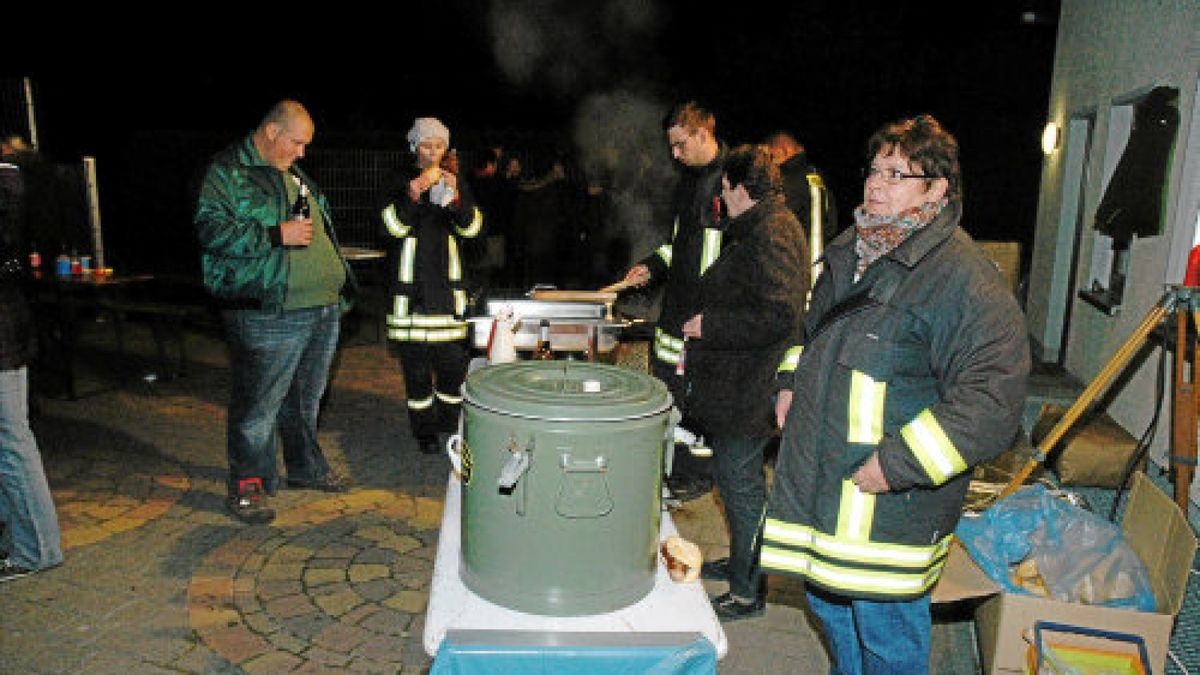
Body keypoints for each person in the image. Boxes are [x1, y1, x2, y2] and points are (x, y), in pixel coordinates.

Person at [760, 114, 1030, 672]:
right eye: (875, 170)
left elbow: (992, 399)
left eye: (898, 174)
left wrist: (898, 463)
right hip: (825, 486)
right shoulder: (848, 250)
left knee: (886, 638)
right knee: (830, 609)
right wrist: (790, 381)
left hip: (887, 508)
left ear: (936, 188)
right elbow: (809, 334)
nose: (876, 185)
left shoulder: (961, 276)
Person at [195, 100, 357, 525]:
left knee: (305, 400)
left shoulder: (291, 173)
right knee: (259, 405)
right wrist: (273, 233)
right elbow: (211, 231)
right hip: (270, 310)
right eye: (297, 142)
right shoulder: (228, 171)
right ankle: (248, 486)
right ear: (271, 131)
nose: (303, 152)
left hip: (321, 307)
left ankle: (305, 468)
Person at [678, 144, 808, 620]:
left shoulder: (772, 232)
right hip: (741, 383)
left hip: (750, 388)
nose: (722, 198)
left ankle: (748, 591)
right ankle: (741, 565)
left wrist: (709, 326)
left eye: (725, 189)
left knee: (742, 488)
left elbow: (779, 314)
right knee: (736, 484)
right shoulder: (764, 226)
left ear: (738, 187)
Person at [623, 100, 728, 501]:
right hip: (675, 313)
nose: (675, 154)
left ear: (703, 133)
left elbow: (736, 257)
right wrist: (651, 266)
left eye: (681, 144)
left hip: (706, 317)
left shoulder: (733, 181)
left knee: (700, 400)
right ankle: (671, 467)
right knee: (671, 392)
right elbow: (678, 246)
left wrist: (715, 313)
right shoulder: (688, 183)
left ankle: (697, 475)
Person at [378, 117, 482, 455]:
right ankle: (423, 432)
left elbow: (473, 230)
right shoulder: (398, 180)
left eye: (439, 146)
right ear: (414, 147)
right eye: (427, 145)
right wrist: (414, 193)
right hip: (412, 299)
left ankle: (448, 424)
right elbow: (390, 228)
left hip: (448, 299)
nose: (434, 152)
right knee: (417, 375)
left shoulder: (455, 181)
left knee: (453, 371)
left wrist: (456, 201)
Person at [1, 148, 64, 580]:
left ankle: (36, 548)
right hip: (10, 324)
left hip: (3, 331)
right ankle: (21, 540)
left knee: (11, 438)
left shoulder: (7, 184)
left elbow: (9, 260)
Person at [764, 130, 838, 274]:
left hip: (794, 271)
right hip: (824, 266)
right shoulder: (817, 177)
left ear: (783, 150)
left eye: (770, 156)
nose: (767, 162)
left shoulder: (786, 182)